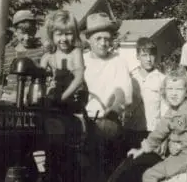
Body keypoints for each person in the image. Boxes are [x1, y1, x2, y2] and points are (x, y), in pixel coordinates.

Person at [82, 12, 133, 164]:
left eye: (107, 39)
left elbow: (123, 92)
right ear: (89, 39)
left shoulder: (118, 62)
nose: (103, 43)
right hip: (82, 121)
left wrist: (114, 108)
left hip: (107, 120)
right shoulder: (81, 61)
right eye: (98, 38)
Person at [39, 10, 86, 108]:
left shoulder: (75, 53)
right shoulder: (48, 57)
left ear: (75, 34)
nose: (64, 39)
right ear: (51, 35)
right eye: (59, 34)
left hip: (72, 99)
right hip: (54, 99)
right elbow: (40, 80)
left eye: (68, 33)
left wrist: (61, 98)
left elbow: (79, 79)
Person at [124, 37, 168, 141]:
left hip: (153, 132)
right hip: (131, 131)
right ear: (138, 56)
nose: (148, 59)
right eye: (144, 55)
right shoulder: (130, 78)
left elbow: (165, 111)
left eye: (151, 55)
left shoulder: (162, 79)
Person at [0, 10, 44, 101]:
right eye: (23, 33)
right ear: (15, 31)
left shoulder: (40, 52)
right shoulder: (7, 52)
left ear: (35, 31)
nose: (27, 38)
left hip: (30, 97)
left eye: (30, 33)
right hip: (7, 97)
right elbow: (1, 78)